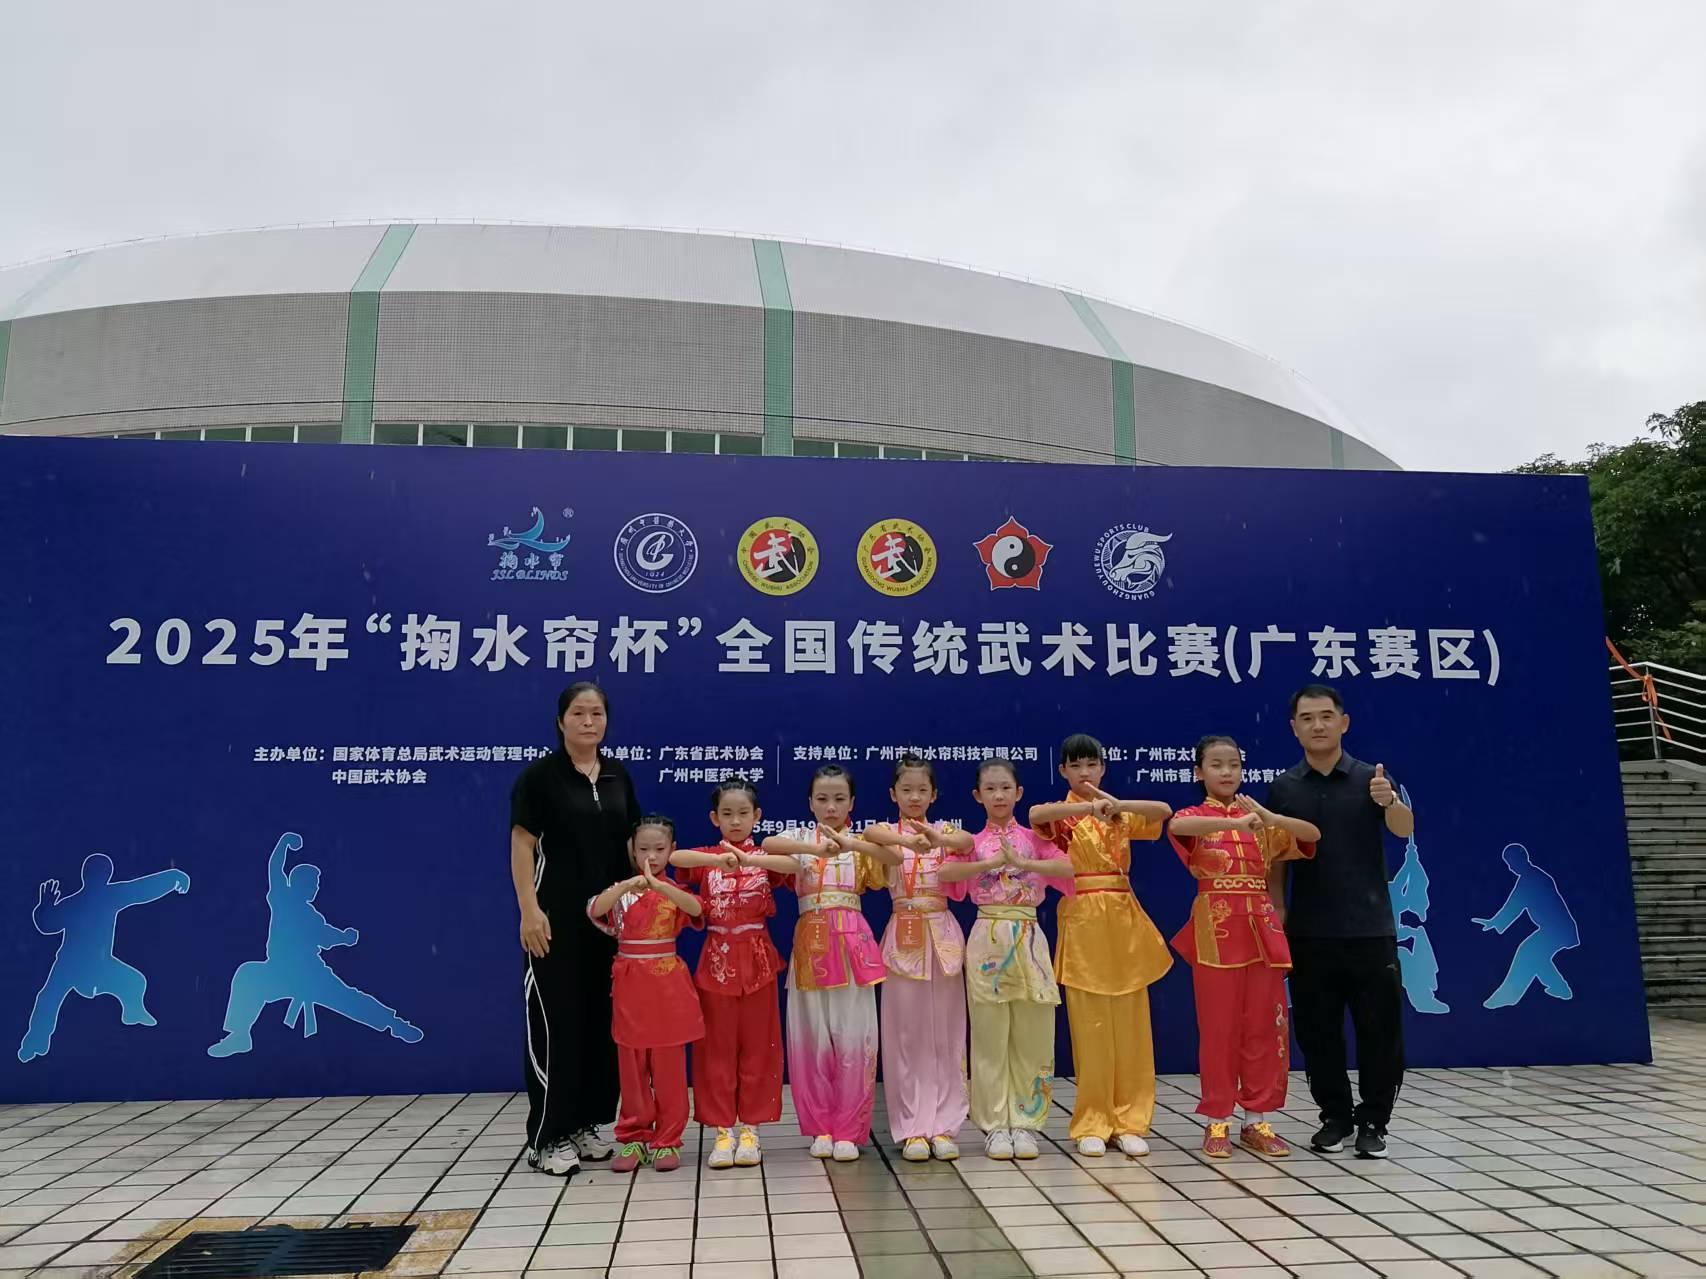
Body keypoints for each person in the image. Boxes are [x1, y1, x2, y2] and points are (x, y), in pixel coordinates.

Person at [1265, 684, 1413, 1160]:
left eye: (1326, 716)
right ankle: (1335, 1117)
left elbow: (1405, 829)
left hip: (1370, 929)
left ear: (1343, 723)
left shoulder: (1372, 778)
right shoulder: (1284, 787)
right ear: (1294, 728)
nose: (1318, 725)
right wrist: (1277, 909)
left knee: (1379, 1033)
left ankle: (1374, 1122)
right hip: (1310, 931)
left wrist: (1390, 802)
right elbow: (1276, 857)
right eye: (1307, 718)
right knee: (1317, 1032)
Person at [509, 682, 641, 1177]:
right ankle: (547, 1136)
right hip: (555, 924)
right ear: (561, 721)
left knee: (599, 1027)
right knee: (557, 1026)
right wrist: (530, 910)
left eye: (597, 713)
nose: (589, 722)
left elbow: (631, 845)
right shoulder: (539, 779)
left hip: (607, 926)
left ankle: (585, 1124)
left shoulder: (617, 775)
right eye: (579, 713)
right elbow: (522, 845)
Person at [1168, 737, 1319, 1159]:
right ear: (1199, 772)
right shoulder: (1194, 816)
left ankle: (1257, 1119)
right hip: (1216, 931)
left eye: (1233, 764)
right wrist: (1235, 825)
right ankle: (1217, 1119)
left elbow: (1312, 835)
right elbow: (1177, 828)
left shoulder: (1260, 818)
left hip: (1262, 930)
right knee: (1219, 1030)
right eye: (1216, 764)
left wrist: (1270, 817)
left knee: (1265, 1029)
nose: (1226, 772)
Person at [1031, 734, 1172, 1158]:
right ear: (1062, 771)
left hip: (1124, 922)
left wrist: (1115, 805)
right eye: (1075, 766)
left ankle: (1130, 1120)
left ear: (1103, 767)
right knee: (1090, 1028)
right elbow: (1037, 815)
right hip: (1084, 918)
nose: (1085, 773)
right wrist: (1087, 808)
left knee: (1132, 1027)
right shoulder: (1062, 816)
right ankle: (1093, 1120)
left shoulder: (1119, 813)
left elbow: (1163, 812)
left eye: (1092, 764)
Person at [762, 764, 901, 1161]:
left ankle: (849, 1130)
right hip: (810, 947)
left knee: (855, 1037)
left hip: (853, 946)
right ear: (810, 802)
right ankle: (819, 1126)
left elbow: (891, 856)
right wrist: (814, 850)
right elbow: (768, 845)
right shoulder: (800, 839)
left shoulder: (860, 842)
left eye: (840, 798)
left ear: (852, 802)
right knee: (811, 1038)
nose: (831, 806)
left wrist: (850, 843)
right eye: (822, 799)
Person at [939, 756, 1074, 1161]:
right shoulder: (971, 843)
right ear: (977, 796)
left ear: (1019, 793)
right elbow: (945, 875)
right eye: (990, 789)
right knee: (989, 1035)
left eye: (1005, 788)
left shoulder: (1035, 839)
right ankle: (995, 1124)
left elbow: (1069, 867)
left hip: (1029, 936)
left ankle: (1027, 1123)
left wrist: (1023, 863)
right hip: (988, 937)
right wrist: (988, 863)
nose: (998, 795)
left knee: (1034, 1034)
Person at [668, 779, 797, 1169]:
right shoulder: (708, 856)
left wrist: (750, 861)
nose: (736, 821)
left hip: (758, 961)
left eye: (743, 813)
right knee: (716, 1050)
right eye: (727, 814)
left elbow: (793, 866)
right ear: (715, 818)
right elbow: (676, 858)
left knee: (759, 1047)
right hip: (717, 962)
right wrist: (718, 860)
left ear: (757, 816)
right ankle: (722, 1131)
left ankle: (751, 1130)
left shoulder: (765, 857)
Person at [208, 833, 421, 1058]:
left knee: (350, 1000)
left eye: (316, 884)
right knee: (248, 974)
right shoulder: (283, 899)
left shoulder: (313, 918)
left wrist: (346, 937)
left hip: (310, 975)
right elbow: (275, 868)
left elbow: (330, 936)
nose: (316, 888)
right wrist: (284, 844)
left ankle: (395, 1024)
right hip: (278, 972)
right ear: (298, 883)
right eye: (312, 883)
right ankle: (240, 1036)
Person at [861, 757, 975, 1162]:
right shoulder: (887, 834)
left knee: (947, 1033)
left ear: (934, 794)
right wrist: (909, 843)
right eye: (906, 790)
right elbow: (868, 833)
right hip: (903, 937)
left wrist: (936, 838)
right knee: (905, 1036)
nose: (914, 797)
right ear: (893, 794)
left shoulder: (945, 832)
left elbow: (968, 843)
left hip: (941, 935)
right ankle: (912, 1127)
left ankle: (945, 1124)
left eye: (922, 790)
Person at [588, 815, 705, 1173]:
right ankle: (634, 1136)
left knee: (669, 1067)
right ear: (631, 850)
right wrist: (628, 885)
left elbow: (698, 909)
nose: (651, 856)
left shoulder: (675, 892)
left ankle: (668, 1138)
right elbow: (595, 909)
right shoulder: (621, 892)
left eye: (659, 849)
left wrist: (660, 886)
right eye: (643, 849)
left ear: (672, 850)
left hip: (668, 986)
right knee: (632, 1065)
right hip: (630, 987)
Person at [20, 854, 190, 1062]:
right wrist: (44, 908)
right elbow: (47, 925)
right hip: (71, 965)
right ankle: (35, 1043)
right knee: (48, 998)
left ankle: (133, 1012)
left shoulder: (103, 897)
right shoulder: (86, 901)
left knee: (134, 981)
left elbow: (142, 889)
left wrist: (173, 877)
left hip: (97, 966)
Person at [1474, 843, 1580, 1009]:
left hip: (1558, 929)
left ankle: (1509, 995)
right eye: (1508, 864)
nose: (1510, 868)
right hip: (1554, 929)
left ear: (1521, 859)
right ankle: (1560, 988)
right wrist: (1494, 922)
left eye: (1511, 863)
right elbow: (1514, 904)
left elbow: (1515, 904)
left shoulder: (1534, 879)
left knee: (1528, 952)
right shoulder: (1529, 878)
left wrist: (1496, 922)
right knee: (1535, 956)